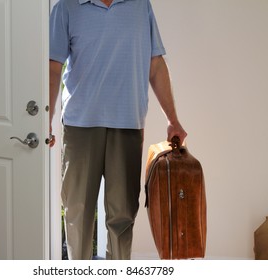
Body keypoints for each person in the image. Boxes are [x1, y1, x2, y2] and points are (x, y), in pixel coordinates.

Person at [49, 0, 187, 260]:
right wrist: (47, 116)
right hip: (81, 125)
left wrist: (173, 119)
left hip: (128, 124)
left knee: (122, 214)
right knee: (78, 212)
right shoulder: (67, 7)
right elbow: (53, 66)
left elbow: (155, 63)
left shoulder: (140, 6)